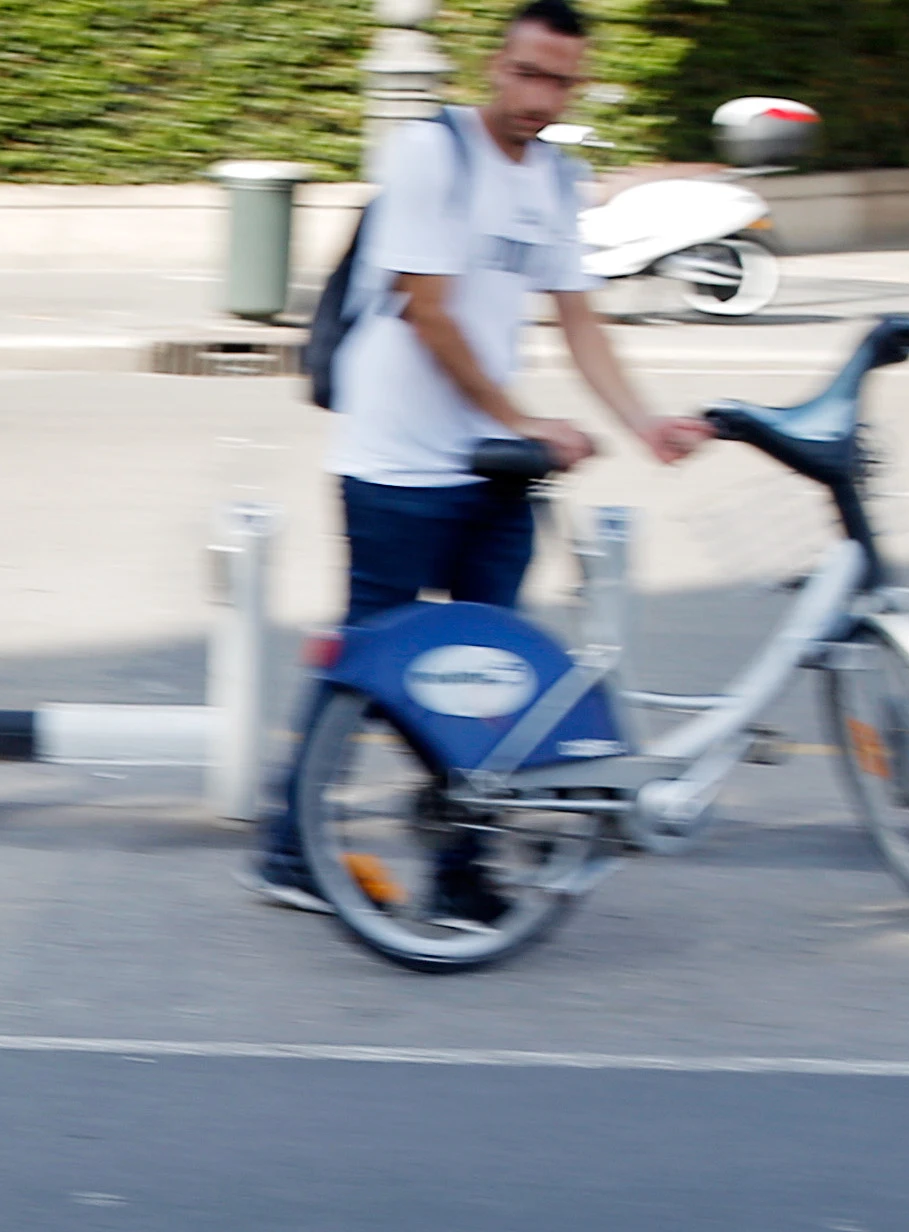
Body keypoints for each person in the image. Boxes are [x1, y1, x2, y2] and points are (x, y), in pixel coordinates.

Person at [246, 0, 712, 921]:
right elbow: (429, 312)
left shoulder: (558, 178)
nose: (541, 96)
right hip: (396, 465)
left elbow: (580, 316)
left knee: (489, 676)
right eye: (529, 73)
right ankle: (289, 849)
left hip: (492, 469)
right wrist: (526, 420)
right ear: (494, 65)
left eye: (561, 82)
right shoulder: (433, 154)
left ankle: (463, 874)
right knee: (369, 662)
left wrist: (644, 421)